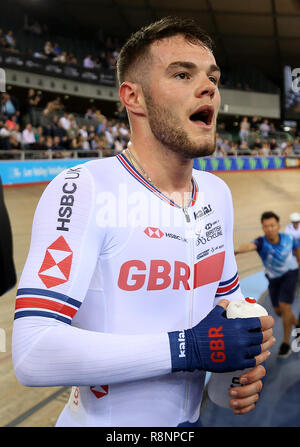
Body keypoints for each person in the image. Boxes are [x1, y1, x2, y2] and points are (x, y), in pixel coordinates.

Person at [12, 17, 274, 427]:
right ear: (133, 97)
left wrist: (241, 359)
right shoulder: (85, 188)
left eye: (213, 77)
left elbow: (229, 309)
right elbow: (32, 352)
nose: (209, 87)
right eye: (182, 74)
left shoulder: (218, 194)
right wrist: (187, 348)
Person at [235, 211, 300, 358]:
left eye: (272, 225)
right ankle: (297, 324)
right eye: (266, 226)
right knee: (279, 311)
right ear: (263, 228)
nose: (269, 229)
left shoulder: (288, 238)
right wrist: (237, 250)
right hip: (274, 279)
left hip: (290, 275)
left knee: (285, 307)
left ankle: (285, 343)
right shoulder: (261, 242)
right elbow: (249, 246)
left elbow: (297, 251)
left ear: (278, 226)